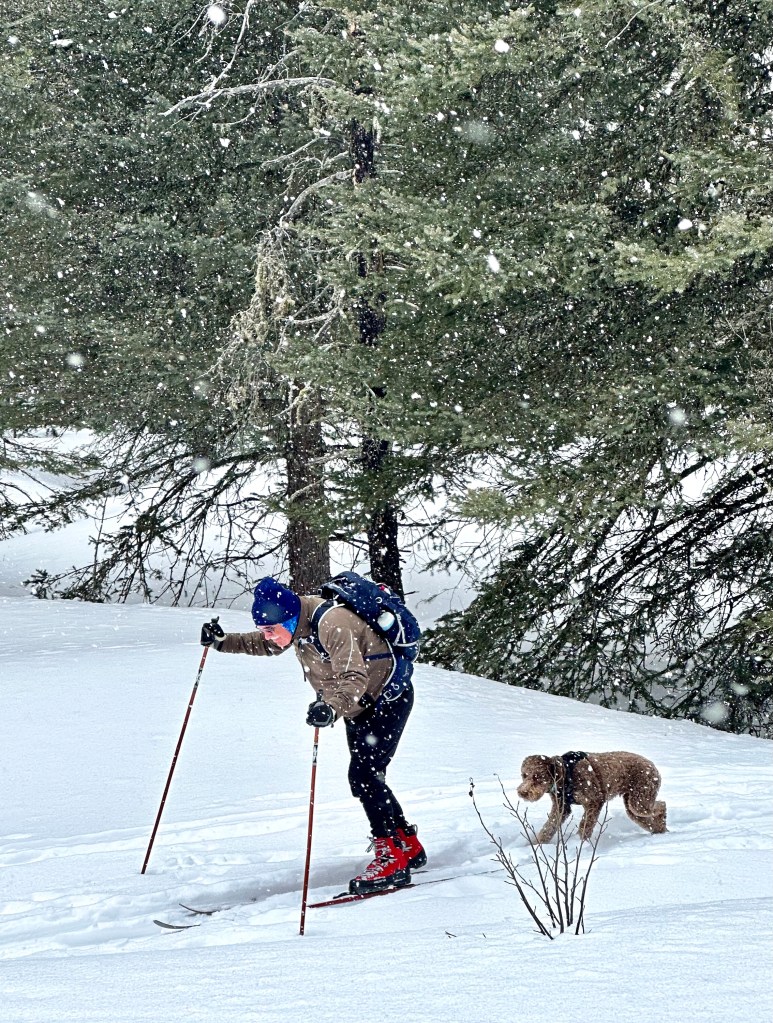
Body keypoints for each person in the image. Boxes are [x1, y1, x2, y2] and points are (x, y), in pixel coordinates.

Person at [200, 575, 426, 894]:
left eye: (271, 629)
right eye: (264, 629)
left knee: (364, 777)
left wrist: (330, 707)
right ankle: (406, 845)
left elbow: (354, 676)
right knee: (368, 777)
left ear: (289, 619)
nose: (267, 636)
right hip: (358, 705)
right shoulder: (297, 625)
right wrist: (223, 642)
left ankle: (391, 858)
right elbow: (267, 644)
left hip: (386, 700)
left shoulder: (333, 623)